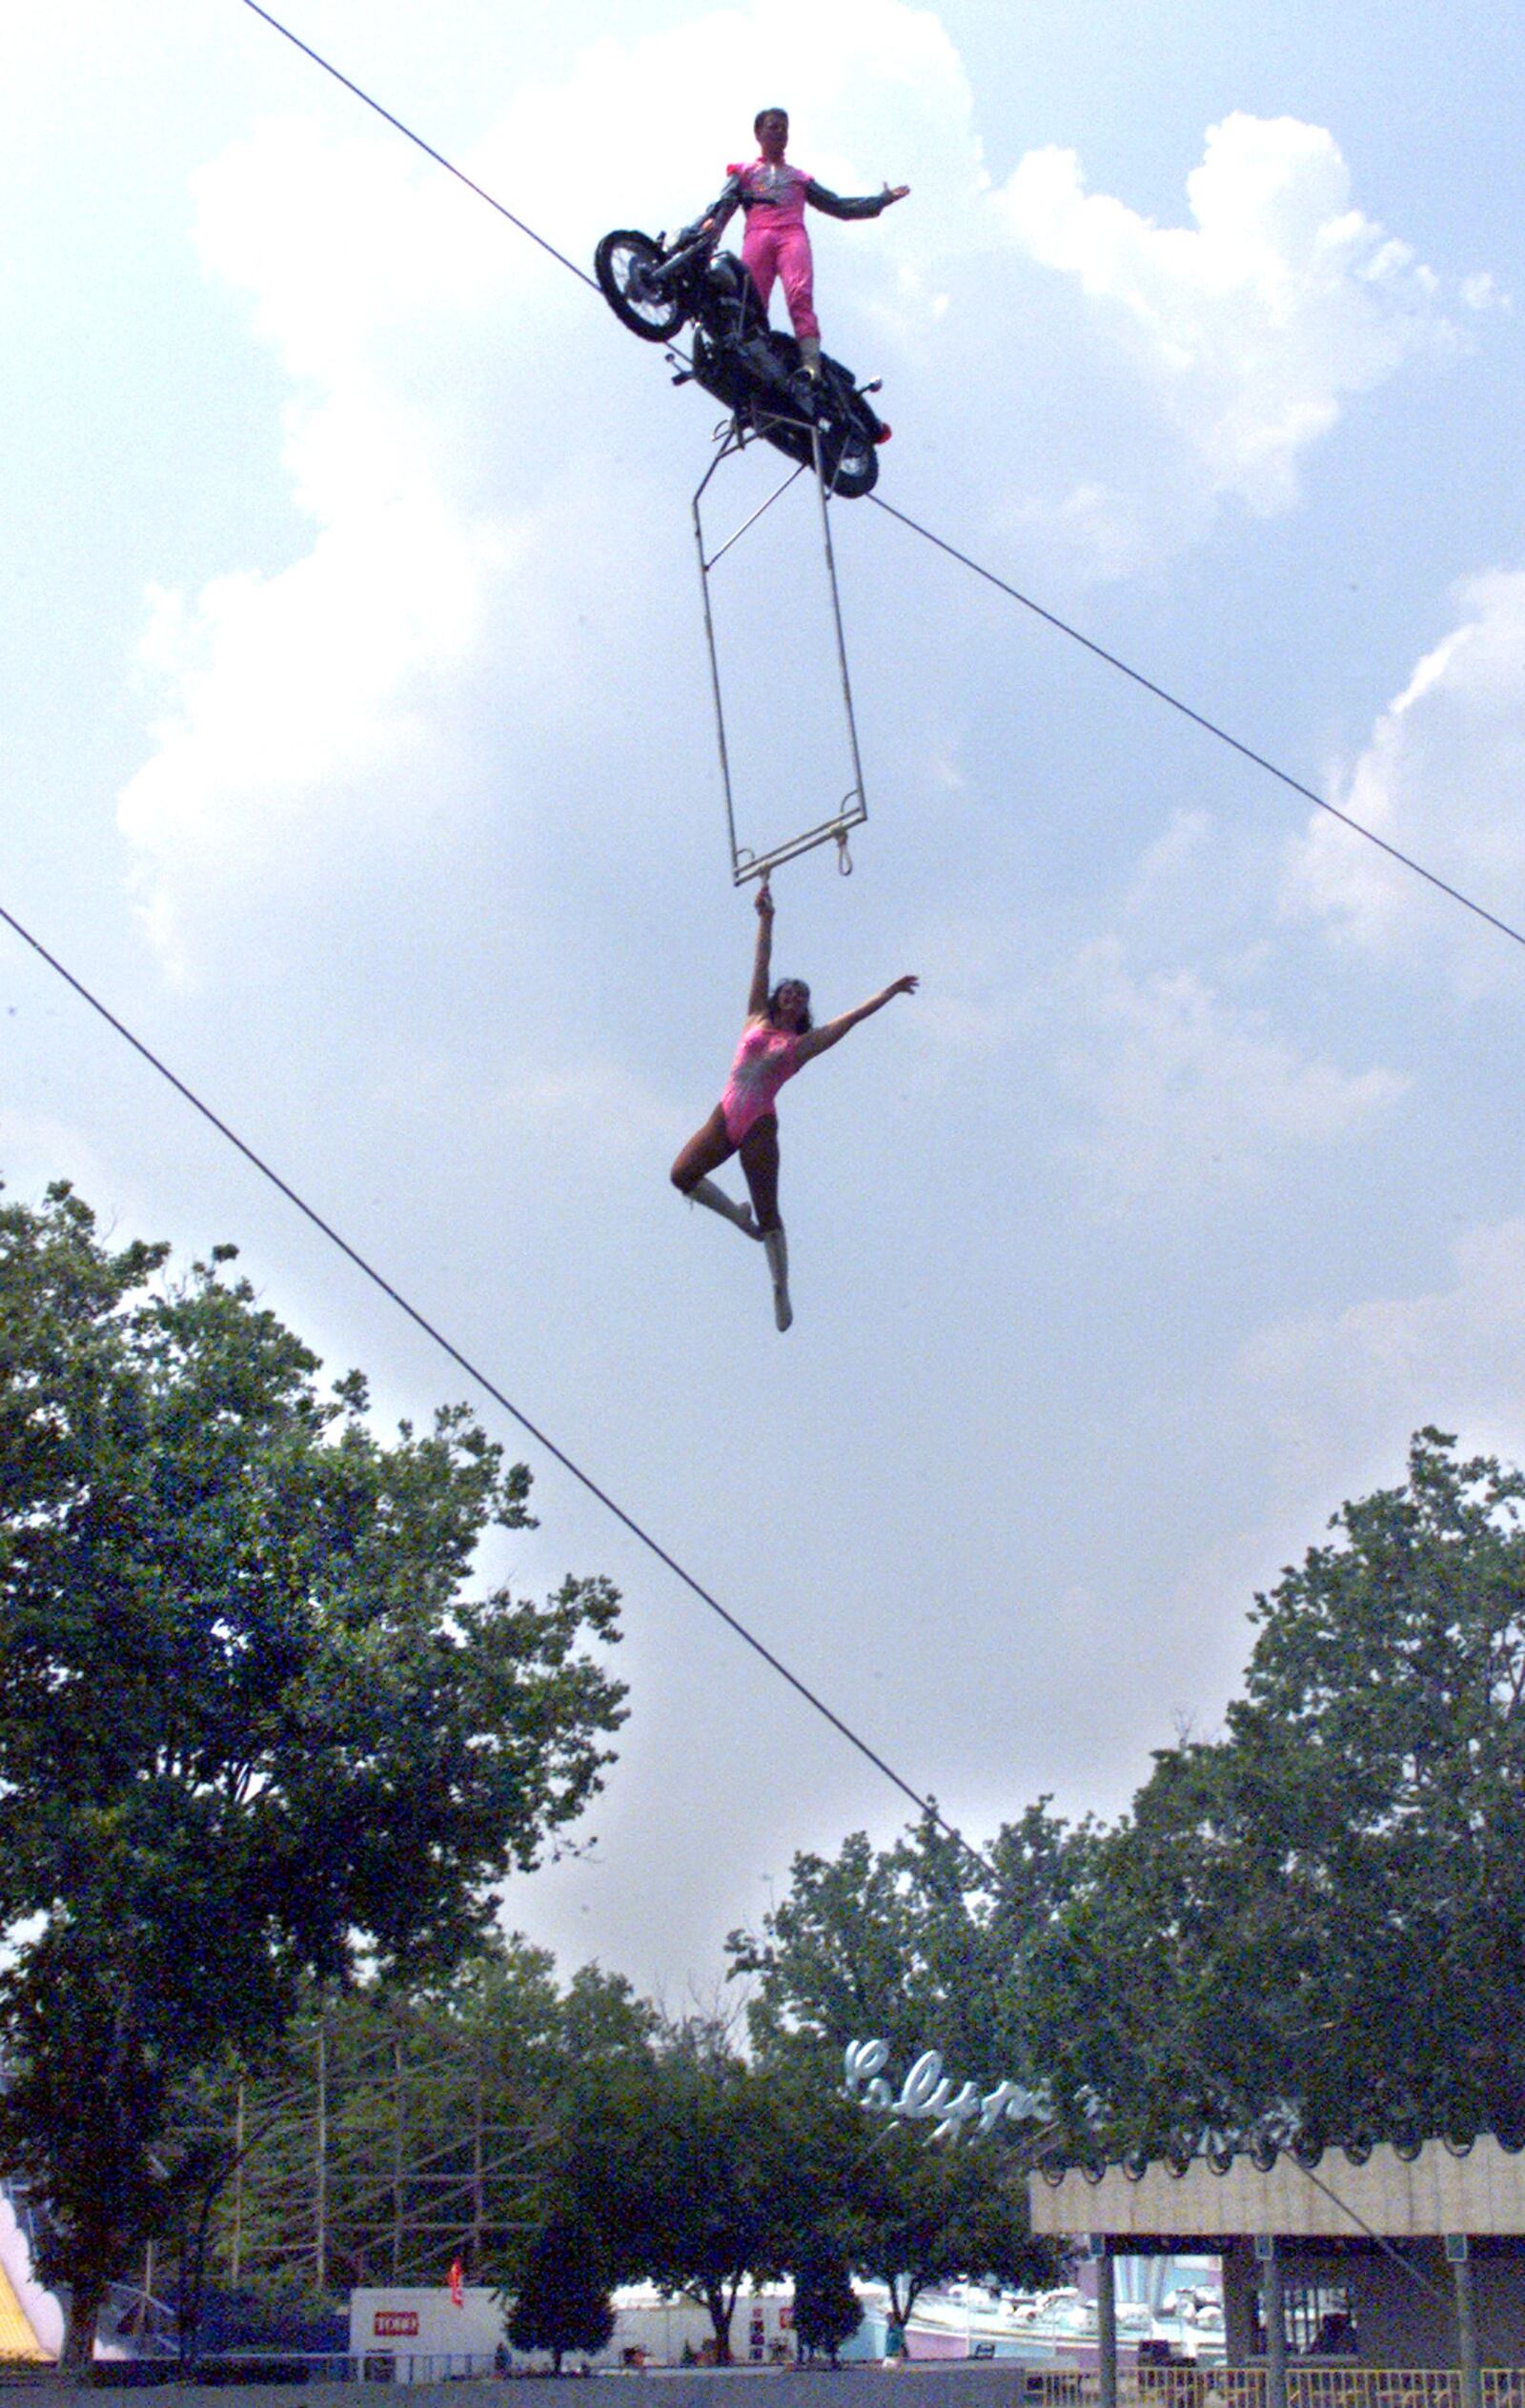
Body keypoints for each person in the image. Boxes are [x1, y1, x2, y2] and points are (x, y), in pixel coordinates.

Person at [670, 877, 918, 1330]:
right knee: (681, 1174)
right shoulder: (755, 1017)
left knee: (771, 1214)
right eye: (789, 991)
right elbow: (760, 963)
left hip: (759, 1124)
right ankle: (739, 1220)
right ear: (777, 997)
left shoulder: (801, 1044)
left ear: (803, 1010)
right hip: (725, 1115)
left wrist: (888, 991)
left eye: (801, 996)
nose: (792, 996)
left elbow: (852, 1019)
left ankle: (780, 1286)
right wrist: (766, 917)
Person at [702, 107, 908, 395]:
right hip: (757, 236)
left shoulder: (799, 178)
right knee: (749, 299)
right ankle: (753, 358)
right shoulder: (745, 172)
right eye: (772, 127)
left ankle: (811, 365)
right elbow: (724, 204)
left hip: (791, 236)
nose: (779, 132)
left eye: (783, 128)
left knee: (799, 296)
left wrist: (881, 200)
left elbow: (838, 206)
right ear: (758, 133)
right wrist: (710, 227)